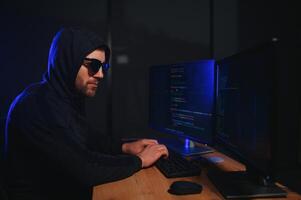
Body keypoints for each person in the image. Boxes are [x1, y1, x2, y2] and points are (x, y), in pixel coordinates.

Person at [4, 27, 168, 200]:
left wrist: (124, 147)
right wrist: (140, 161)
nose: (101, 75)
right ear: (68, 61)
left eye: (104, 66)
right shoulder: (38, 106)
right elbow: (85, 168)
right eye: (93, 65)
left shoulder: (63, 97)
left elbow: (86, 136)